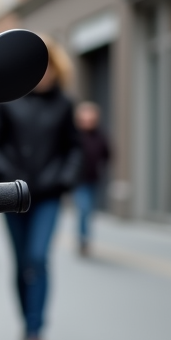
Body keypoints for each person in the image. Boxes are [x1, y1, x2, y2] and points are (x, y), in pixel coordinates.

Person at [0, 37, 81, 340]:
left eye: (50, 67)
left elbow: (74, 149)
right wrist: (7, 177)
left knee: (38, 258)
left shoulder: (65, 104)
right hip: (13, 196)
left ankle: (36, 330)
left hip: (48, 196)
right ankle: (27, 322)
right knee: (22, 261)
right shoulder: (7, 100)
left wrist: (64, 179)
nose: (45, 74)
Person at [73, 101, 111, 257]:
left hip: (93, 179)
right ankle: (83, 239)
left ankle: (85, 237)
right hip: (78, 180)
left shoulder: (100, 135)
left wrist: (100, 166)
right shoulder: (74, 135)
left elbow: (108, 154)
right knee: (84, 208)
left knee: (88, 211)